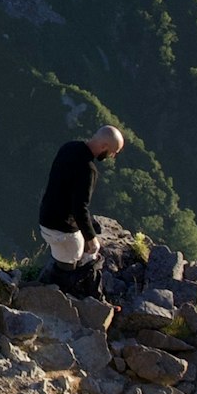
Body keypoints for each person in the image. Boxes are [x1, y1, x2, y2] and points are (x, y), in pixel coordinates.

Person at [36, 125, 124, 295]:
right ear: (105, 146)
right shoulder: (88, 169)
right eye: (114, 152)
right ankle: (68, 298)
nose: (112, 156)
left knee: (88, 234)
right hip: (62, 229)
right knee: (78, 264)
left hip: (46, 217)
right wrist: (91, 240)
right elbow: (79, 208)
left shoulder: (69, 147)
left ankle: (49, 283)